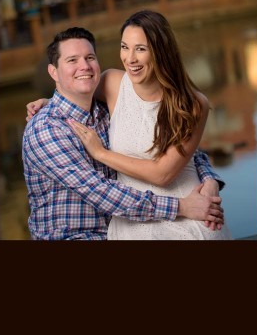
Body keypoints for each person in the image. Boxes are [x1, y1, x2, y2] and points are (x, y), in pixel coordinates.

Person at [22, 26, 224, 240]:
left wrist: (209, 180)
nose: (84, 66)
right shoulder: (46, 129)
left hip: (121, 229)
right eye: (72, 60)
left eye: (90, 57)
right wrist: (180, 207)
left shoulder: (106, 112)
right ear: (54, 72)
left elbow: (178, 150)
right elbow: (99, 191)